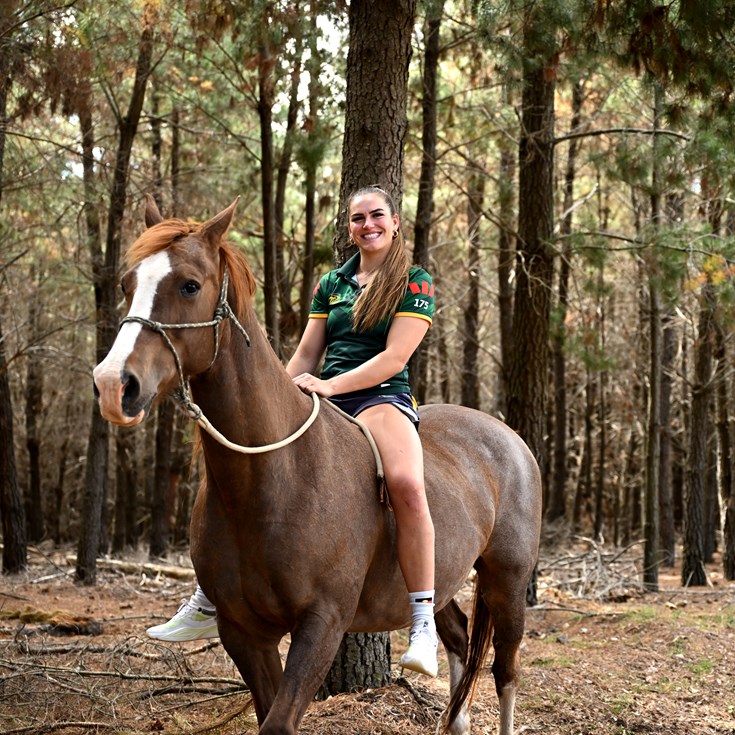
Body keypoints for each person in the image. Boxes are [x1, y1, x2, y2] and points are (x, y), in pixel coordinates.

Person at [147, 186, 438, 677]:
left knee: (407, 485)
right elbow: (305, 354)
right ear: (349, 227)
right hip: (320, 394)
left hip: (381, 398)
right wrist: (275, 395)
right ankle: (208, 595)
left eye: (376, 216)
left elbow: (393, 358)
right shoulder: (333, 283)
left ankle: (423, 621)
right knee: (244, 466)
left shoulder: (415, 282)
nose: (367, 225)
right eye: (357, 218)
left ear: (394, 222)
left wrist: (328, 385)